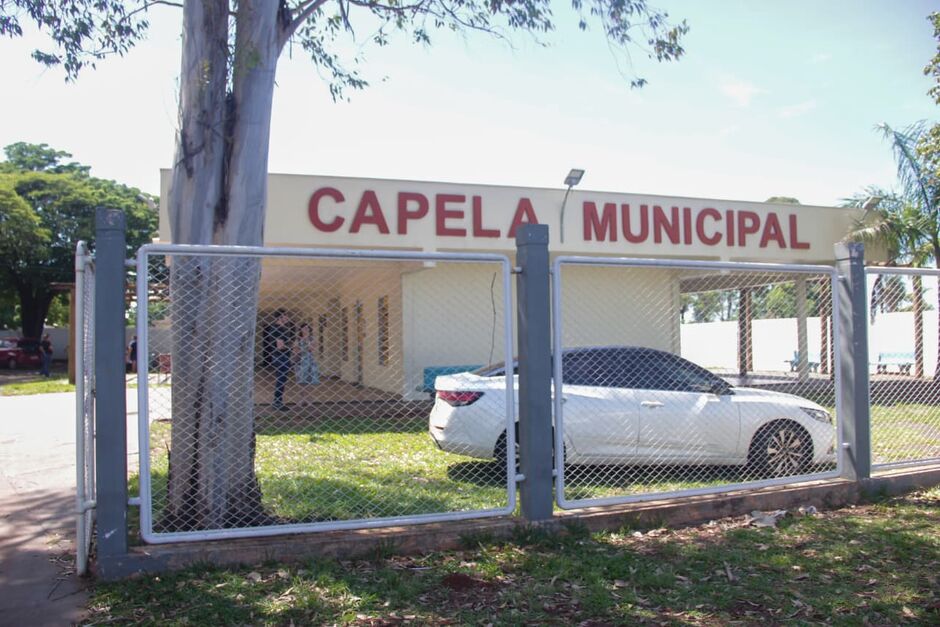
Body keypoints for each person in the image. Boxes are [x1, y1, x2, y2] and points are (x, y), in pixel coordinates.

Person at [264, 309, 293, 410]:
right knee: (281, 380)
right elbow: (280, 346)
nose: (288, 318)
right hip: (281, 356)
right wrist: (293, 346)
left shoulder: (279, 328)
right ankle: (277, 403)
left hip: (280, 356)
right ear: (280, 317)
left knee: (282, 379)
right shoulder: (278, 329)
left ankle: (278, 401)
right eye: (286, 316)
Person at [294, 324, 320, 403]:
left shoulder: (312, 338)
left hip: (310, 361)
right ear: (301, 329)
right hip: (300, 361)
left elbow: (312, 349)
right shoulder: (298, 339)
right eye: (304, 328)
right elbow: (295, 350)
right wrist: (304, 348)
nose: (306, 330)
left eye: (308, 328)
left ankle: (309, 399)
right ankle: (302, 399)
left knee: (309, 381)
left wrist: (307, 342)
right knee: (301, 381)